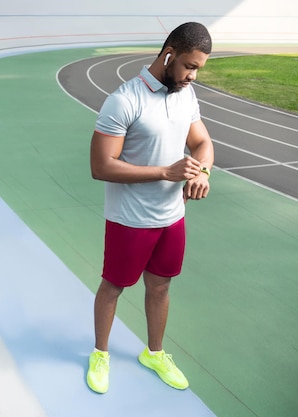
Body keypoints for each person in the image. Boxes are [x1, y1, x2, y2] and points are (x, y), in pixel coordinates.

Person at [86, 22, 214, 394]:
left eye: (198, 69)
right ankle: (101, 354)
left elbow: (202, 142)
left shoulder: (186, 96)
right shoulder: (124, 100)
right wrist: (166, 171)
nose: (192, 75)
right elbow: (101, 166)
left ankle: (154, 353)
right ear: (169, 53)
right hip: (130, 220)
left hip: (172, 217)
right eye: (189, 66)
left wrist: (202, 172)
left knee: (160, 287)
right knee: (113, 287)